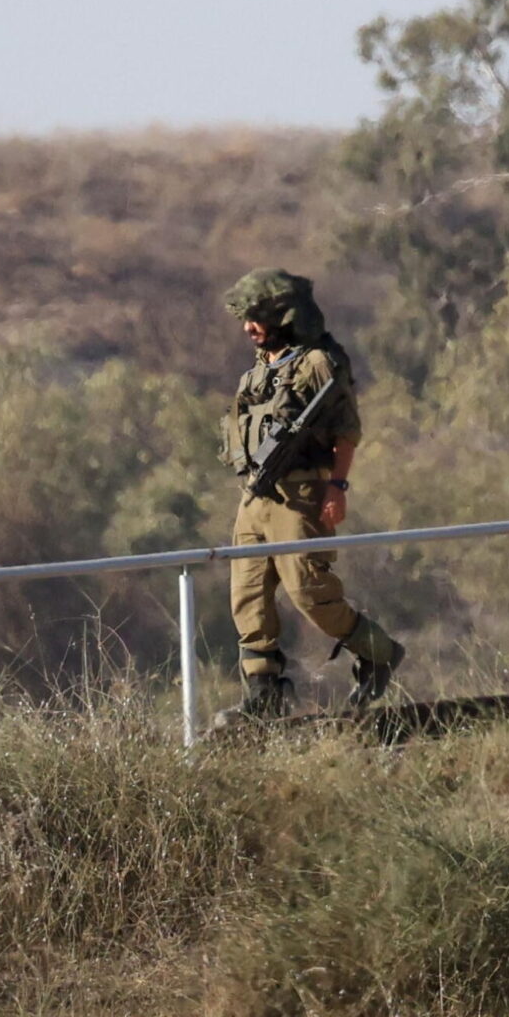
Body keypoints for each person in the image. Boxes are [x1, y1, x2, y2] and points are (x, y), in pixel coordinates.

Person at [215, 269, 403, 721]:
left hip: (301, 494)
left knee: (309, 591)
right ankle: (262, 694)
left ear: (283, 314)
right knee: (247, 596)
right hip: (255, 497)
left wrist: (336, 487)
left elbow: (347, 431)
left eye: (257, 317)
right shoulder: (260, 368)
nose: (248, 328)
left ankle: (378, 652)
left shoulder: (319, 363)